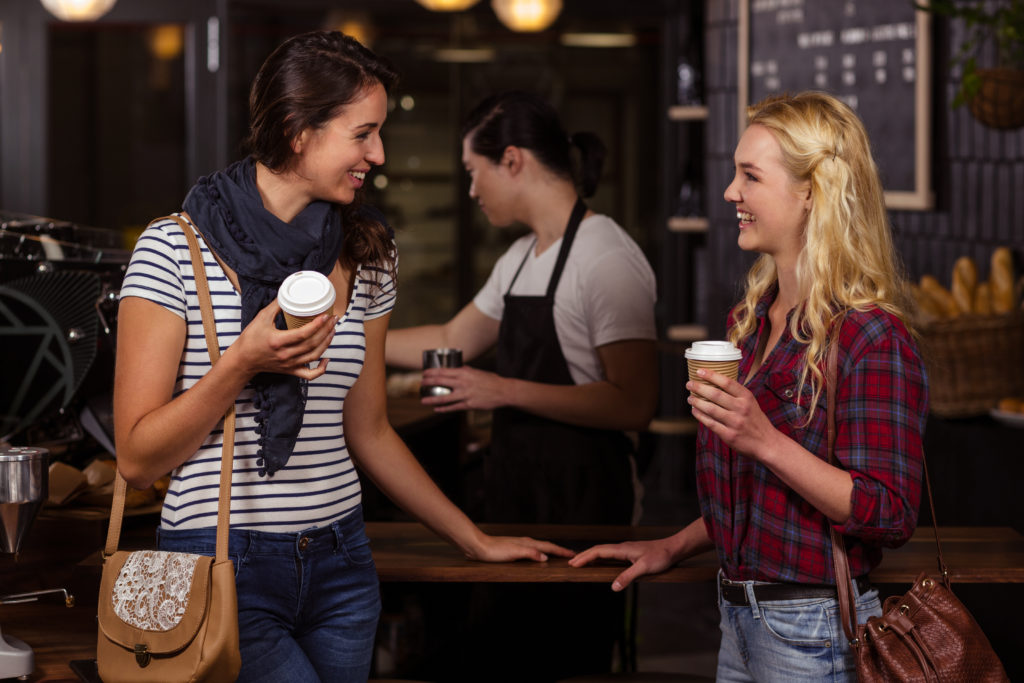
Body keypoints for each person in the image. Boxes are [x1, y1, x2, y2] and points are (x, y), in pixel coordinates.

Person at [113, 31, 571, 683]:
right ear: (299, 130)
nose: (378, 154)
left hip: (342, 565)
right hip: (220, 563)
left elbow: (371, 430)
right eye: (363, 134)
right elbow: (135, 458)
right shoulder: (172, 252)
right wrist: (243, 362)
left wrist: (472, 537)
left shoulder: (368, 252)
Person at [571, 91, 929, 681]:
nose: (730, 192)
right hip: (738, 619)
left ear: (812, 192)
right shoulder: (755, 317)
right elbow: (756, 497)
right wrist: (674, 545)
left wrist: (763, 438)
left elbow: (889, 511)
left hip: (812, 631)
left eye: (750, 176)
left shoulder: (871, 336)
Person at [385, 91, 658, 680]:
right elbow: (452, 335)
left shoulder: (606, 257)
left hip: (585, 504)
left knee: (565, 660)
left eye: (473, 172)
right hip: (518, 494)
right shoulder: (519, 258)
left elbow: (635, 402)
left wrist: (504, 390)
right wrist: (348, 333)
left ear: (512, 160)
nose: (472, 190)